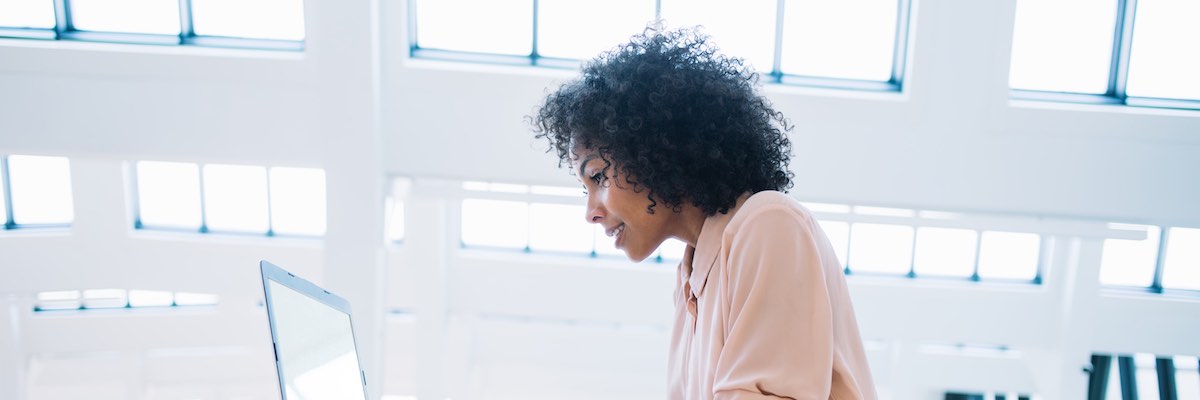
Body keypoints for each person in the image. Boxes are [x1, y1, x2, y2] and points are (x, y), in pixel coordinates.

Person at [530, 27, 877, 400]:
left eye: (598, 176)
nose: (590, 213)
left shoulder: (767, 224)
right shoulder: (690, 281)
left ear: (656, 153)